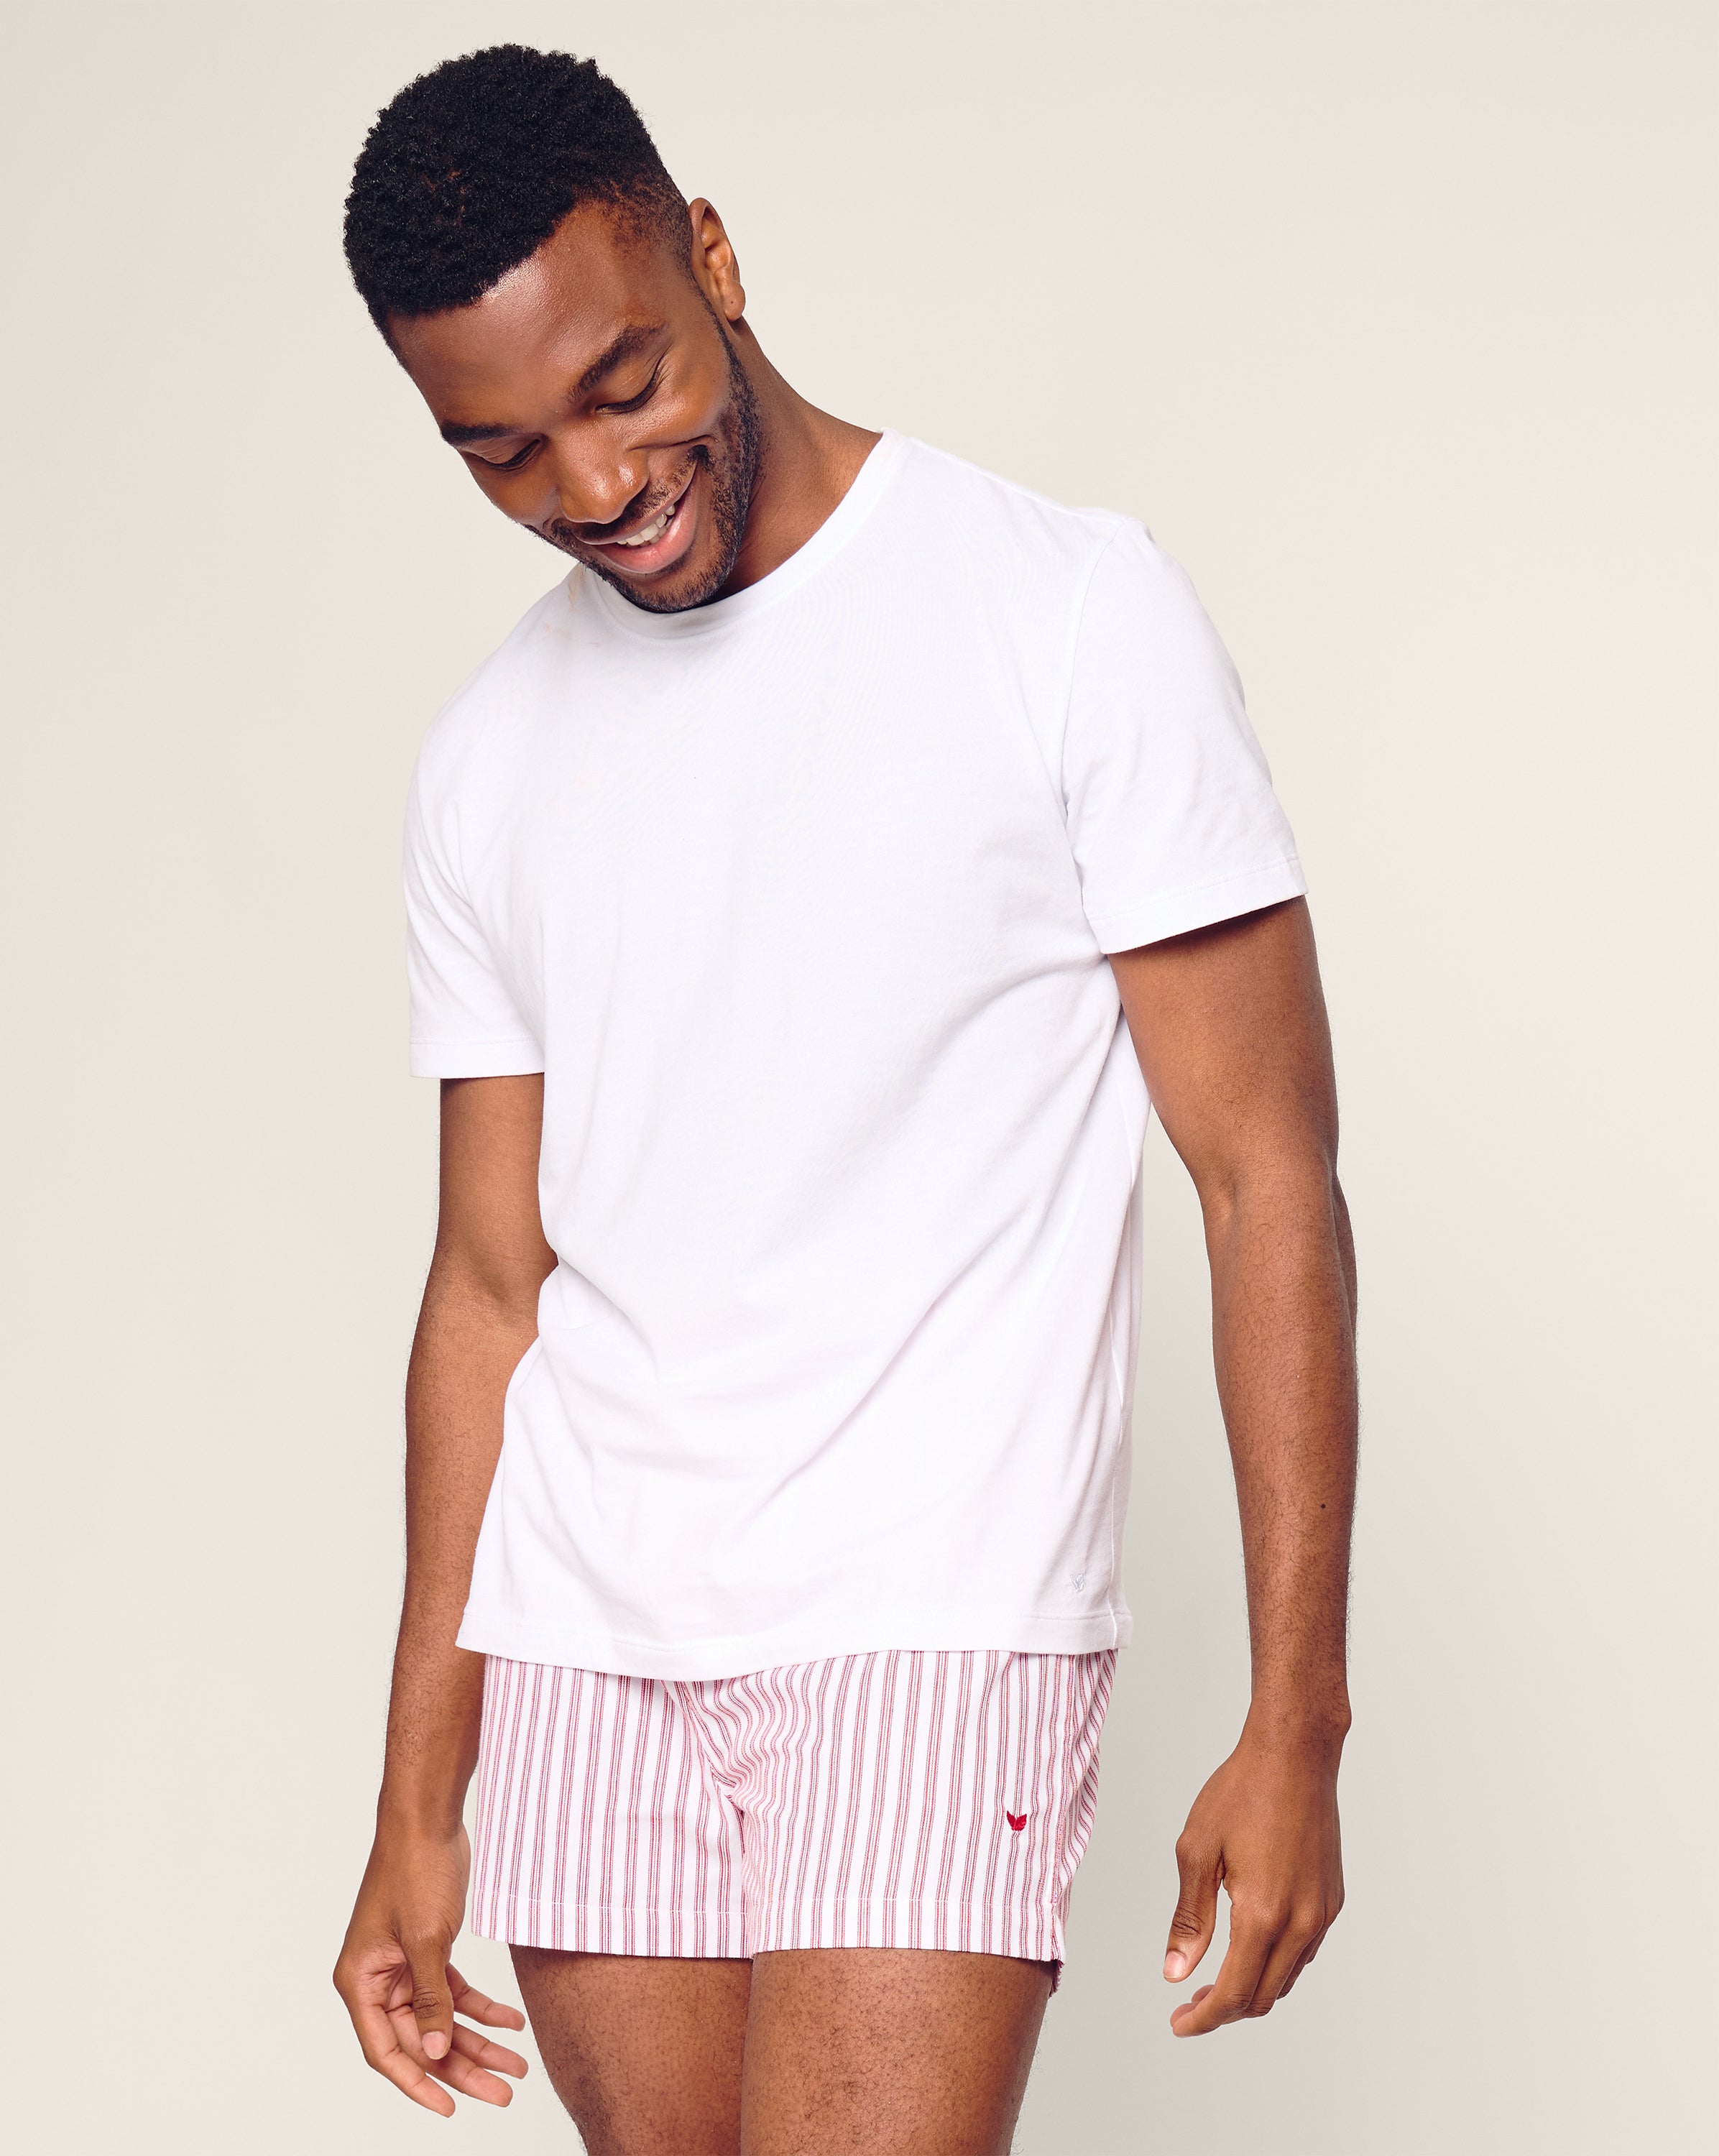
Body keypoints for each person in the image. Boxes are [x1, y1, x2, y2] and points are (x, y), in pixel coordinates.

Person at [331, 44, 1356, 2155]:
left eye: (625, 386)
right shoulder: (487, 755)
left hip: (932, 1610)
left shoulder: (1067, 612)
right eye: (502, 452)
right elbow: (491, 1289)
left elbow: (1267, 1176)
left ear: (709, 254)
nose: (594, 487)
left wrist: (1299, 1712)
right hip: (587, 1639)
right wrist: (414, 1793)